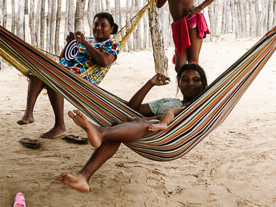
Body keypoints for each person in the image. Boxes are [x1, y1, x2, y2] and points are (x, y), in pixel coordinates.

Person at [60, 63, 208, 192]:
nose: (190, 84)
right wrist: (150, 84)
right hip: (152, 136)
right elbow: (130, 109)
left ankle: (101, 132)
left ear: (203, 84)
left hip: (170, 139)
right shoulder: (168, 103)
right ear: (179, 83)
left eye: (196, 80)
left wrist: (155, 120)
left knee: (135, 125)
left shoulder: (204, 105)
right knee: (118, 126)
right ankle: (83, 177)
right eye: (185, 79)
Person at [17, 12, 120, 140]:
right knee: (37, 69)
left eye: (103, 25)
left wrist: (85, 44)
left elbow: (104, 61)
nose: (98, 28)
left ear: (111, 28)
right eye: (96, 24)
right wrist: (69, 43)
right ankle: (29, 113)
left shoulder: (111, 44)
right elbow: (63, 58)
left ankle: (60, 126)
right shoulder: (87, 39)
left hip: (82, 77)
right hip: (63, 69)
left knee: (55, 76)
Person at [156, 0, 219, 71]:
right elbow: (159, 4)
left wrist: (198, 8)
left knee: (193, 62)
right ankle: (185, 88)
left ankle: (199, 88)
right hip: (178, 26)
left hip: (192, 24)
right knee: (179, 67)